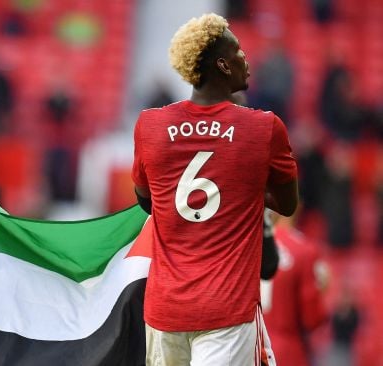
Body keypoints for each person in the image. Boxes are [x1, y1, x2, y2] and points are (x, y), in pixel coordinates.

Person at [131, 13, 298, 365]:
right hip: (227, 312)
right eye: (238, 52)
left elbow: (148, 203)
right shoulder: (264, 128)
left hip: (165, 309)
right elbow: (287, 203)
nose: (246, 60)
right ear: (222, 64)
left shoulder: (150, 125)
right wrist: (241, 193)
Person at [260, 208, 329, 366]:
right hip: (288, 350)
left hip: (250, 345)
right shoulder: (304, 249)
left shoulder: (250, 244)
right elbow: (312, 318)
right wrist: (322, 290)